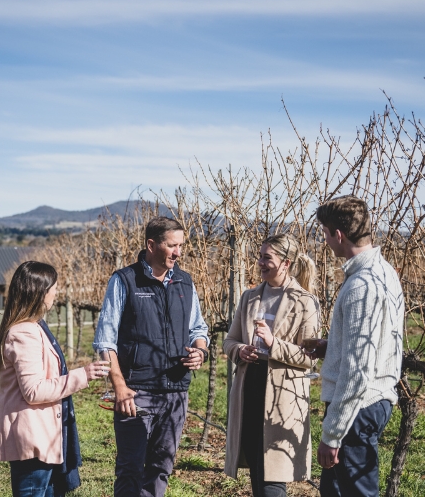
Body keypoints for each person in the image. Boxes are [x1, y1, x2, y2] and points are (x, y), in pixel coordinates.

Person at [93, 216, 209, 497]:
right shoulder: (124, 280)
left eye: (181, 245)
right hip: (136, 392)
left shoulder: (185, 282)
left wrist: (200, 351)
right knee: (130, 467)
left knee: (161, 467)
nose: (178, 252)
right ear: (151, 245)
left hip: (175, 392)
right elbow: (105, 340)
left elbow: (198, 327)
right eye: (172, 246)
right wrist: (120, 387)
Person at [0, 261, 109, 497]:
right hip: (32, 439)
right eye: (53, 288)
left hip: (43, 435)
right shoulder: (24, 332)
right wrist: (84, 375)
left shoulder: (34, 327)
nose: (56, 293)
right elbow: (34, 391)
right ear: (40, 293)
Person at [314, 196, 404, 497]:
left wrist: (333, 434)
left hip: (357, 406)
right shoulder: (386, 273)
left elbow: (358, 370)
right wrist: (333, 345)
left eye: (325, 233)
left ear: (338, 234)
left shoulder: (361, 286)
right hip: (369, 401)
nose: (326, 241)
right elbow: (373, 344)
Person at [223, 233, 320, 497]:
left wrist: (273, 343)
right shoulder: (249, 297)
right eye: (260, 256)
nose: (260, 262)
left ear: (286, 263)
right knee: (256, 465)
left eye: (267, 257)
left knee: (272, 474)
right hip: (249, 386)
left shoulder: (304, 301)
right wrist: (240, 349)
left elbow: (309, 356)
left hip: (281, 395)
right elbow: (229, 340)